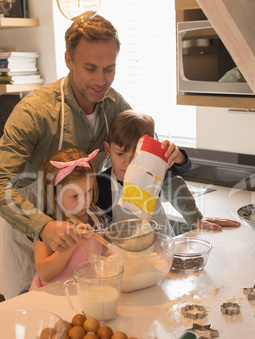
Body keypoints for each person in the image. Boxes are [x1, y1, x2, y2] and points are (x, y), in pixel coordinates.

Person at [0, 14, 191, 298]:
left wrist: (194, 216)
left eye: (109, 69)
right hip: (29, 225)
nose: (102, 81)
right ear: (68, 59)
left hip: (82, 230)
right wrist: (43, 226)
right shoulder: (34, 113)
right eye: (91, 68)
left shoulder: (114, 105)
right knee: (30, 319)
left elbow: (143, 169)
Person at [97, 110, 241, 233]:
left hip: (162, 245)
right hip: (124, 254)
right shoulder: (100, 183)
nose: (127, 163)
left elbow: (179, 173)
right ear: (108, 148)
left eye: (135, 156)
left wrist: (195, 218)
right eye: (120, 154)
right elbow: (97, 223)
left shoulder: (152, 172)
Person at [30, 147, 109, 291]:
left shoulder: (97, 217)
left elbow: (104, 252)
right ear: (54, 194)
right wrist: (70, 244)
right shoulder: (46, 225)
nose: (84, 202)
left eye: (89, 191)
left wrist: (121, 255)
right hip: (53, 294)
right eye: (74, 196)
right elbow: (44, 274)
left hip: (87, 291)